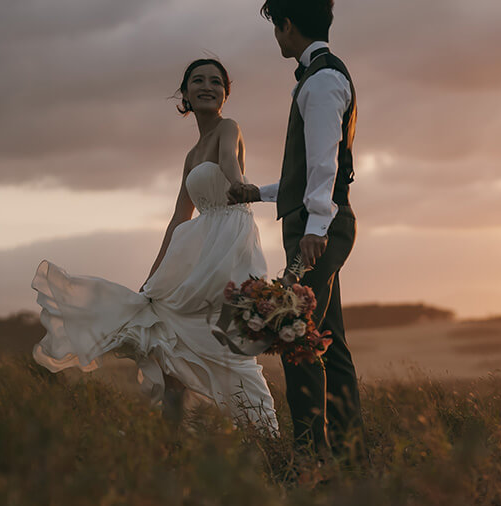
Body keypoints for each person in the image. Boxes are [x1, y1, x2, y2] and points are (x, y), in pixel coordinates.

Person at [32, 58, 279, 432]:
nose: (207, 86)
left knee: (229, 344)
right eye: (198, 81)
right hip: (199, 248)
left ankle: (265, 434)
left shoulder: (229, 127)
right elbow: (180, 217)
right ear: (185, 94)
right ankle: (173, 439)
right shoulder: (191, 155)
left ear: (225, 93)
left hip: (230, 246)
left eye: (216, 81)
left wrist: (237, 184)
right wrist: (154, 276)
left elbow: (229, 161)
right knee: (168, 337)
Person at [228, 0, 366, 465]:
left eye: (276, 27)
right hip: (315, 221)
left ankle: (310, 460)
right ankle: (350, 456)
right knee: (331, 341)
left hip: (315, 228)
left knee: (295, 337)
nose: (276, 37)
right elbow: (306, 175)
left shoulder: (323, 78)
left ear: (287, 25)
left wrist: (317, 228)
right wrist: (258, 193)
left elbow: (325, 163)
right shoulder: (319, 75)